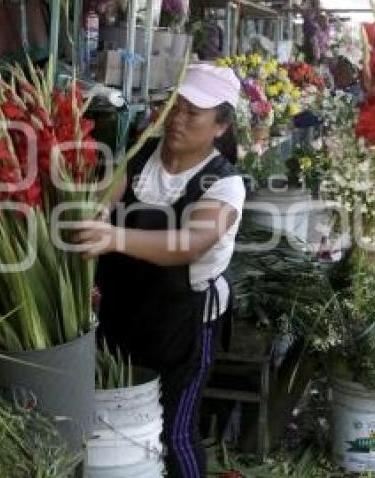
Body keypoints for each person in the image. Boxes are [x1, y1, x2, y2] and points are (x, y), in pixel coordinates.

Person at [73, 64, 246, 478]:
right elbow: (103, 199)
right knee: (119, 423)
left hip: (182, 323)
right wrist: (91, 214)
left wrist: (113, 238)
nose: (177, 119)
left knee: (175, 432)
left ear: (220, 126)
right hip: (122, 313)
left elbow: (189, 244)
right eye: (175, 107)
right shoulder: (140, 155)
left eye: (192, 113)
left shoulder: (223, 184)